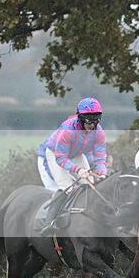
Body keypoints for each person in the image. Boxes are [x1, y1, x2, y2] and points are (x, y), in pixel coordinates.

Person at [37, 97, 108, 235]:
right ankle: (49, 222)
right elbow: (60, 158)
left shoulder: (99, 131)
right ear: (80, 117)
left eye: (95, 119)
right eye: (89, 120)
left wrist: (102, 172)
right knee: (68, 188)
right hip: (55, 154)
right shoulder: (68, 129)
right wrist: (78, 170)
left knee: (90, 186)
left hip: (76, 154)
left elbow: (100, 157)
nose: (92, 124)